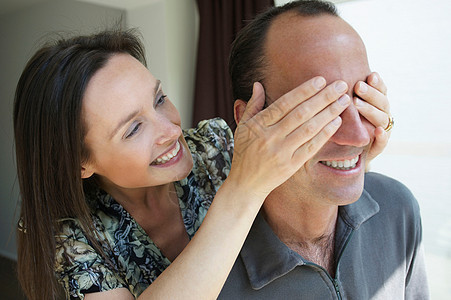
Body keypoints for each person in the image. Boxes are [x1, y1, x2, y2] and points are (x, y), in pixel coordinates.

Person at [13, 26, 388, 300]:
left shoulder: (214, 144)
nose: (170, 130)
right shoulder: (69, 237)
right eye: (133, 129)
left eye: (159, 99)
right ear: (80, 162)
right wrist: (244, 187)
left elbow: (307, 195)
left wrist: (360, 142)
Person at [218, 0, 429, 299]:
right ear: (248, 120)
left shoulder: (398, 210)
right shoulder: (209, 276)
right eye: (320, 107)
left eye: (361, 98)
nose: (357, 136)